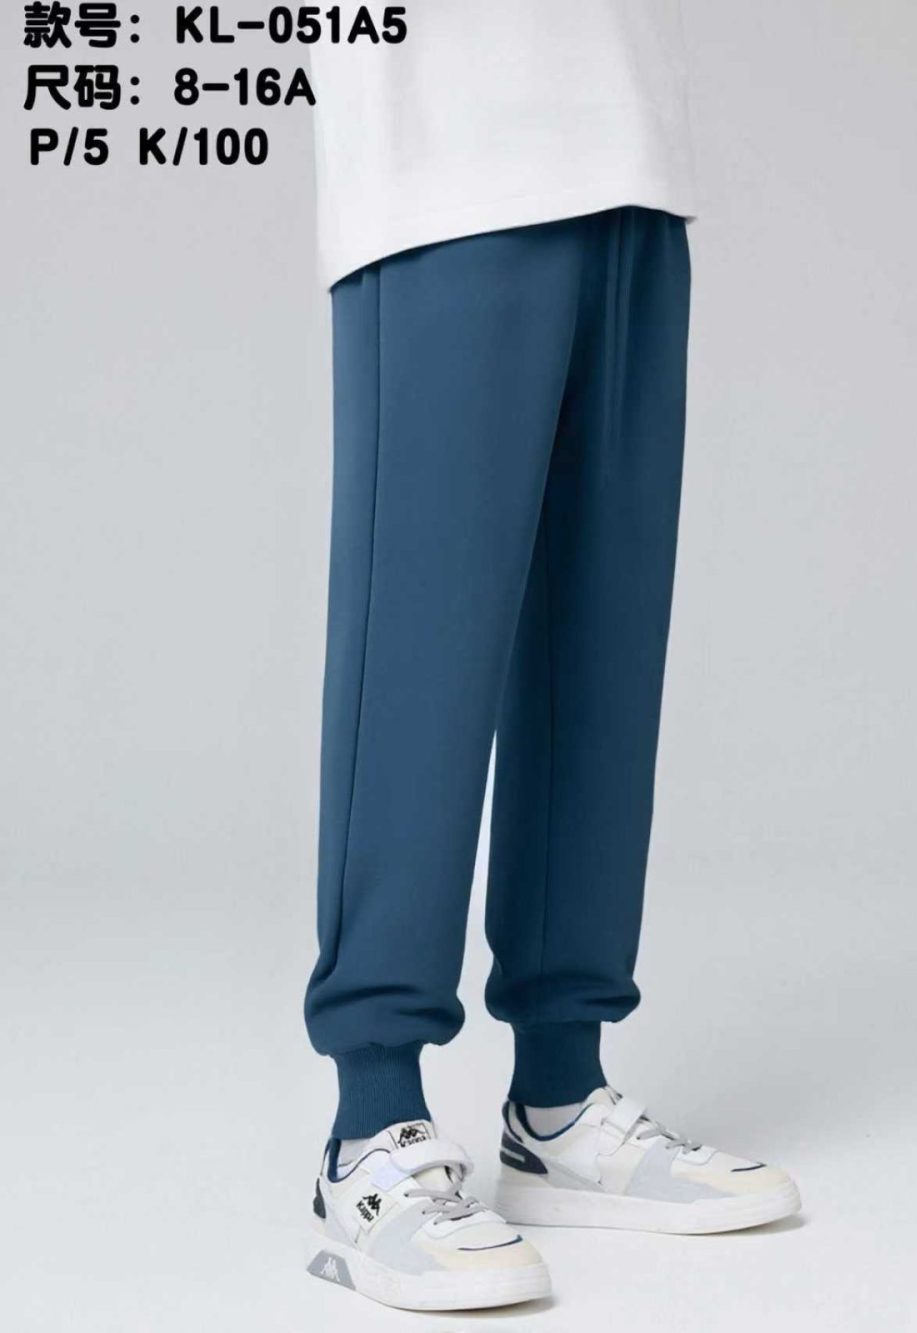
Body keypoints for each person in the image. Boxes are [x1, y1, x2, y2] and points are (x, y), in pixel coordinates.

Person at [303, 1, 800, 1312]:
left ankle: (561, 1101)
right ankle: (369, 1128)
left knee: (602, 648)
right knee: (420, 657)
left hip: (632, 149)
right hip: (442, 159)